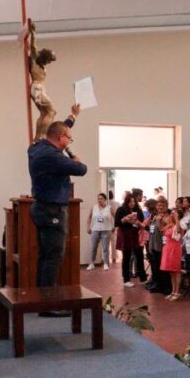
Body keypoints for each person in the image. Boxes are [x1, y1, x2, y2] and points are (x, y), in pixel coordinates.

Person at [27, 121, 87, 292]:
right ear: (61, 137)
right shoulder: (53, 156)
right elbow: (82, 169)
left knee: (46, 255)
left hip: (41, 207)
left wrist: (69, 121)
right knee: (53, 256)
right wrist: (75, 160)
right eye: (69, 138)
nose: (69, 142)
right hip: (52, 210)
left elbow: (55, 127)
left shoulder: (35, 148)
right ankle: (48, 301)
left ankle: (42, 299)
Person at [114, 193, 147, 287]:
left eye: (133, 201)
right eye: (130, 201)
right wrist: (124, 220)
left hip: (136, 235)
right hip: (125, 235)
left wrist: (137, 222)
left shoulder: (138, 210)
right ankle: (126, 279)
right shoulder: (121, 209)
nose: (132, 203)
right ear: (126, 201)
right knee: (127, 257)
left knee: (139, 256)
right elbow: (116, 223)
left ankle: (143, 278)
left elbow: (142, 221)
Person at [145, 196, 171, 295]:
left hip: (163, 246)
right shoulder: (155, 216)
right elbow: (151, 231)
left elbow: (163, 231)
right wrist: (150, 245)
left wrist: (160, 221)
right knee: (155, 268)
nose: (160, 207)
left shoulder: (167, 217)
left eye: (162, 205)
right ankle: (158, 285)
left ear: (166, 206)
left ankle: (166, 288)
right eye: (159, 205)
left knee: (163, 269)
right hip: (154, 246)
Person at [160, 209, 184, 300]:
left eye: (175, 213)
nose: (173, 214)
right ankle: (173, 291)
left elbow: (178, 231)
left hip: (175, 249)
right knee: (171, 271)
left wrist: (177, 219)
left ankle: (177, 292)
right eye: (172, 213)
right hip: (168, 248)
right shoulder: (170, 225)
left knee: (176, 270)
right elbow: (161, 229)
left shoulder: (179, 224)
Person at [86, 192, 113, 270]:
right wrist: (88, 227)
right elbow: (89, 218)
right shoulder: (94, 207)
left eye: (101, 198)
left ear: (105, 200)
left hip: (106, 229)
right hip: (95, 229)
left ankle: (105, 263)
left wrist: (113, 226)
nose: (99, 200)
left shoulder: (109, 208)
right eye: (98, 198)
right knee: (93, 247)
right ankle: (92, 263)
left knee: (105, 248)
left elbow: (115, 216)